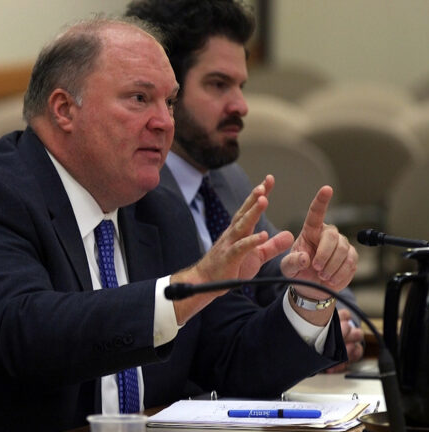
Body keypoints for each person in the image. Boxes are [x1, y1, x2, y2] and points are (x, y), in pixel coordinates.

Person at [0, 17, 356, 431]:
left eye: (168, 103)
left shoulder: (158, 212)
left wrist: (309, 298)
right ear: (64, 109)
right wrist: (188, 286)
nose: (163, 123)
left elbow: (234, 360)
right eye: (138, 98)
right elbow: (27, 338)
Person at [125, 0, 365, 373]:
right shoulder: (133, 192)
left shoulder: (226, 180)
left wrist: (335, 317)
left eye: (241, 86)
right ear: (167, 89)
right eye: (218, 85)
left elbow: (283, 275)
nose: (241, 105)